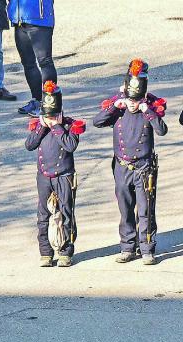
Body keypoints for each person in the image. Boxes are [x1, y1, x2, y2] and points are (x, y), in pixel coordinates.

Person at [93, 59, 168, 265]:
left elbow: (161, 130)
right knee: (125, 209)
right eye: (129, 99)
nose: (132, 104)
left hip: (144, 168)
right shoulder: (118, 107)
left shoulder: (150, 107)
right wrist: (116, 104)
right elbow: (97, 122)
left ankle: (147, 248)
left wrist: (146, 109)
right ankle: (127, 247)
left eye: (136, 100)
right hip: (122, 167)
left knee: (145, 210)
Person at [25, 81, 85, 267]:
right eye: (46, 116)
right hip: (44, 177)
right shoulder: (39, 127)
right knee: (43, 215)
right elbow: (29, 145)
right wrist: (43, 127)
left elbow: (70, 145)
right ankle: (45, 253)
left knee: (66, 214)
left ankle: (66, 252)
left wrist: (56, 127)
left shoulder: (70, 125)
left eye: (52, 116)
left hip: (63, 176)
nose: (49, 119)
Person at [7, 0, 56, 117]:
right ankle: (37, 100)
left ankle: (50, 106)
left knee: (45, 62)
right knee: (28, 64)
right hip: (19, 20)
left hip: (40, 19)